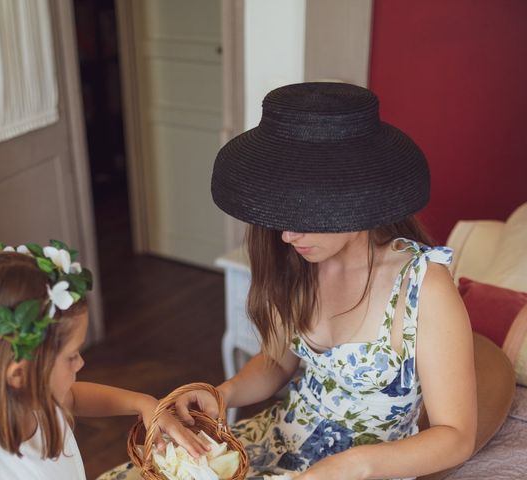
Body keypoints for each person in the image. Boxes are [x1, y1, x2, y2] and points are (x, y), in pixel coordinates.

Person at [172, 82, 478, 480]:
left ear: (352, 200)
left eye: (302, 215)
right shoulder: (297, 262)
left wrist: (352, 464)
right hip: (282, 442)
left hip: (366, 471)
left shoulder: (422, 287)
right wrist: (223, 393)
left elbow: (456, 437)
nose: (285, 235)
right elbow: (277, 363)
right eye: (280, 213)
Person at [0, 241, 208, 479]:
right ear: (19, 375)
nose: (81, 363)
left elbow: (71, 398)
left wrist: (143, 403)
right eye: (71, 356)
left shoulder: (36, 403)